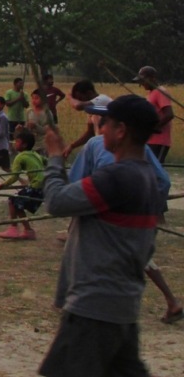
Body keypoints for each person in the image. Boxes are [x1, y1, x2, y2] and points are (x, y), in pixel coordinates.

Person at [38, 95, 163, 376]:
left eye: (105, 123)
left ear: (121, 130)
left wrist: (56, 158)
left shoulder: (115, 178)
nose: (100, 128)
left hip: (93, 310)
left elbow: (56, 202)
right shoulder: (148, 179)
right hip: (122, 308)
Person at [67, 107, 182, 326]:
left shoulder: (94, 145)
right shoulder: (140, 149)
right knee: (138, 259)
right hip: (124, 216)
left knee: (84, 250)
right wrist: (149, 209)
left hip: (103, 215)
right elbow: (163, 182)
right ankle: (171, 301)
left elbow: (73, 185)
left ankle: (77, 304)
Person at [0, 131, 46, 240]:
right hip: (43, 187)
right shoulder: (35, 154)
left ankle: (13, 228)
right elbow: (47, 161)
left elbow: (14, 177)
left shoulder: (20, 157)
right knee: (17, 203)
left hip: (36, 186)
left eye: (17, 142)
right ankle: (28, 231)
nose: (14, 143)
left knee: (13, 200)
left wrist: (0, 186)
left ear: (24, 145)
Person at [62, 79, 112, 158]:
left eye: (80, 98)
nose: (80, 101)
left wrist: (70, 97)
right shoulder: (93, 108)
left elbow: (78, 106)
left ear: (89, 93)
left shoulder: (102, 99)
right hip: (101, 146)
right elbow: (90, 133)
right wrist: (72, 146)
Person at [135, 65, 174, 164]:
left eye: (143, 80)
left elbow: (169, 114)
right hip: (150, 140)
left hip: (159, 140)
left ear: (152, 78)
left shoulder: (160, 92)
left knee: (156, 170)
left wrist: (153, 128)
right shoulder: (151, 93)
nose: (142, 84)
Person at [25, 89, 55, 153]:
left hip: (43, 145)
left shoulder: (47, 113)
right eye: (32, 98)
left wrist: (36, 126)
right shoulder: (29, 111)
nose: (34, 100)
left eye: (36, 98)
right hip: (32, 144)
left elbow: (47, 130)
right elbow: (27, 127)